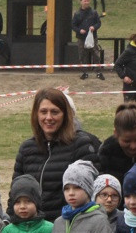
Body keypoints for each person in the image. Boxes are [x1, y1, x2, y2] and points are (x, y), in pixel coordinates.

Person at [13, 88, 100, 221]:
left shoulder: (81, 145)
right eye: (43, 112)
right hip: (32, 229)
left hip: (68, 226)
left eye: (55, 112)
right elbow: (15, 193)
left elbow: (94, 193)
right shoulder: (26, 149)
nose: (48, 117)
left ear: (65, 114)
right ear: (36, 114)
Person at [71, 0, 104, 80]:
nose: (86, 2)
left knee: (96, 54)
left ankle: (98, 72)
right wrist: (79, 30)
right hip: (81, 38)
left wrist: (94, 27)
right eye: (85, 1)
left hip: (93, 38)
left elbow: (99, 23)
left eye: (88, 1)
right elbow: (73, 25)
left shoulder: (94, 12)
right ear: (81, 2)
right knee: (82, 55)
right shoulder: (77, 14)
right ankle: (84, 72)